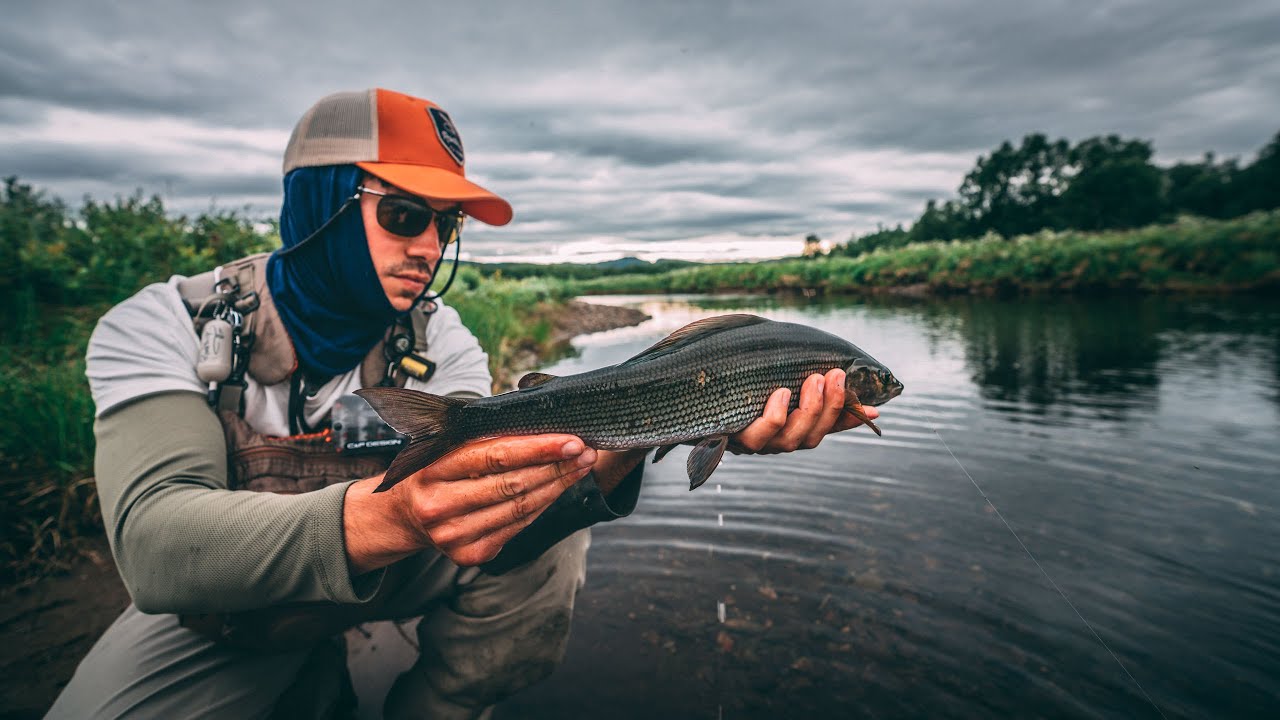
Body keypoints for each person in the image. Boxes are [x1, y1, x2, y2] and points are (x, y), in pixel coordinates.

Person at [47, 88, 877, 719]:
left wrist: (690, 421)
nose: (429, 247)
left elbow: (515, 491)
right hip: (214, 617)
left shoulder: (442, 343)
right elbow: (155, 548)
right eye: (404, 214)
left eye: (446, 226)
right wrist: (394, 518)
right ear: (317, 207)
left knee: (554, 527)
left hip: (392, 582)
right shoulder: (162, 324)